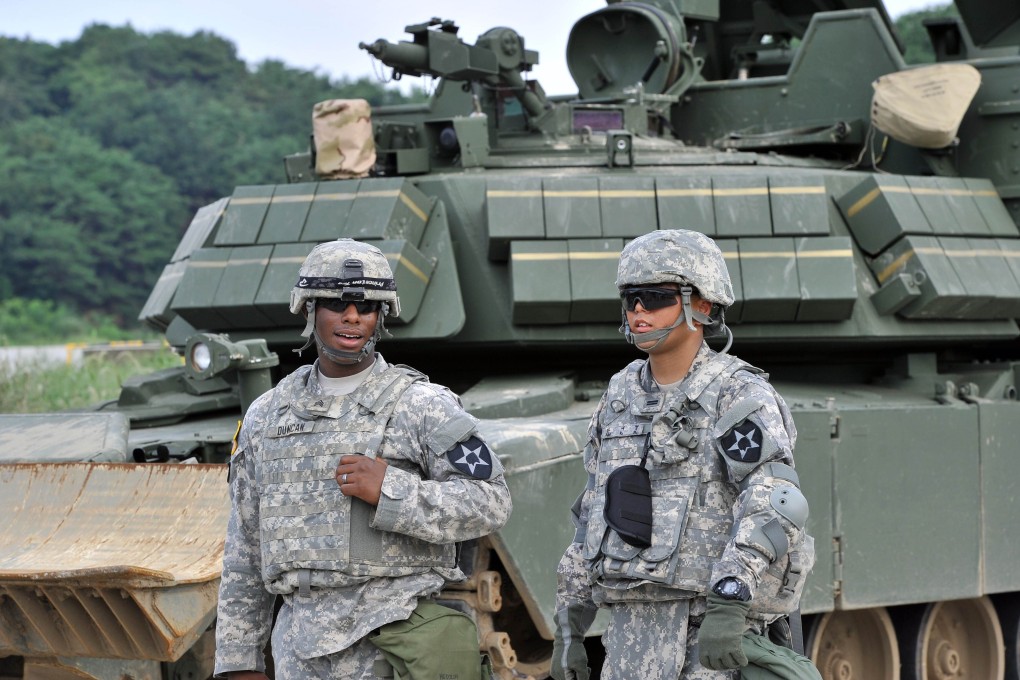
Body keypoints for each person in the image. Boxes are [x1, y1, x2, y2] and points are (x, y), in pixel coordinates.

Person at [214, 238, 512, 679]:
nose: (353, 316)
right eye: (337, 304)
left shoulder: (421, 406)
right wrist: (239, 659)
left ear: (380, 317)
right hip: (297, 647)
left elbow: (492, 501)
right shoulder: (267, 415)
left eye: (367, 306)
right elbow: (245, 544)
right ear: (309, 309)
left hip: (390, 637)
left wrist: (391, 491)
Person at [551, 229, 814, 680]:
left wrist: (731, 597)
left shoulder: (737, 393)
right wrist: (569, 626)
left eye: (656, 297)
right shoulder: (620, 395)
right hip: (629, 637)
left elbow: (775, 503)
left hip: (708, 630)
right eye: (631, 298)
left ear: (702, 305)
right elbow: (593, 513)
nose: (639, 310)